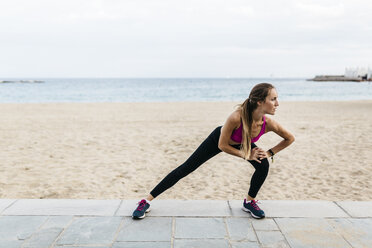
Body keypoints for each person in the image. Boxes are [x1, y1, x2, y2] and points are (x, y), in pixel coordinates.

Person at [132, 83, 295, 219]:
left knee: (263, 164)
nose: (277, 103)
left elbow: (289, 138)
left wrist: (268, 153)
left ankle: (249, 202)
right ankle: (146, 201)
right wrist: (247, 154)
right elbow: (222, 146)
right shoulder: (236, 117)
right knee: (187, 167)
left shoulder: (269, 123)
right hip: (219, 140)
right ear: (260, 101)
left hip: (243, 143)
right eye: (273, 99)